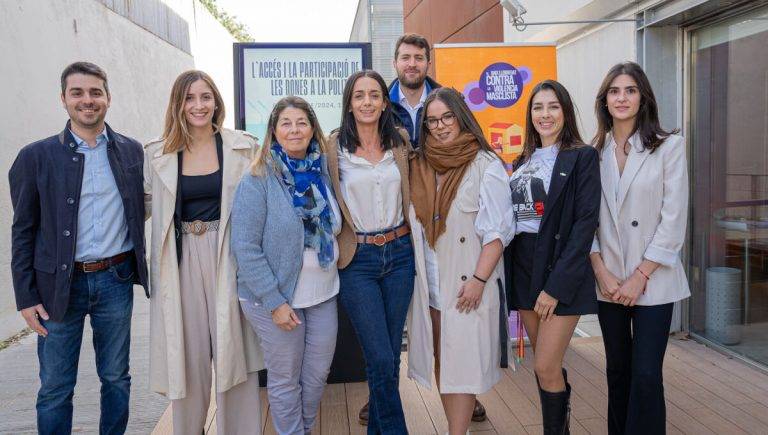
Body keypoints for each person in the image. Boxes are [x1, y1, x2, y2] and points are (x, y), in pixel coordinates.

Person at [8, 61, 148, 434]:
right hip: (57, 287)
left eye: (95, 92)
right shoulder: (35, 157)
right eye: (78, 93)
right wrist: (25, 295)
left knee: (117, 377)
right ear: (64, 99)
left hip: (116, 280)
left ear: (108, 98)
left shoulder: (132, 152)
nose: (88, 100)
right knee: (55, 386)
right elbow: (22, 231)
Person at [144, 70, 262, 435]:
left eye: (205, 97)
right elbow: (141, 207)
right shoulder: (157, 154)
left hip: (229, 255)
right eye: (190, 98)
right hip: (180, 260)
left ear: (216, 101)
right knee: (188, 356)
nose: (198, 105)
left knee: (235, 352)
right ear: (178, 103)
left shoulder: (244, 147)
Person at [589, 62, 689, 435]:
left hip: (653, 280)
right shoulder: (592, 152)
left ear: (643, 97)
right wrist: (601, 271)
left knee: (646, 374)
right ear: (605, 100)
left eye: (630, 90)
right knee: (618, 371)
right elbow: (586, 222)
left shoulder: (669, 147)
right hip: (609, 280)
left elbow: (674, 218)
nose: (622, 98)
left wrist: (640, 275)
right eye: (614, 91)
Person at [406, 87, 514, 434]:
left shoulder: (485, 164)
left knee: (463, 365)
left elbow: (498, 232)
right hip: (431, 282)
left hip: (467, 281)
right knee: (443, 360)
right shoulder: (417, 165)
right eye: (432, 120)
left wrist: (479, 281)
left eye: (447, 117)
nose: (440, 126)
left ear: (461, 116)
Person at [232, 96, 341, 435]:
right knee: (284, 379)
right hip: (274, 298)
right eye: (286, 123)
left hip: (323, 292)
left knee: (317, 374)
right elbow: (245, 247)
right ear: (274, 131)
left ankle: (302, 430)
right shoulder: (257, 179)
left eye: (301, 123)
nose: (294, 130)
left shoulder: (323, 172)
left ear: (312, 129)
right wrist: (275, 302)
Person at [504, 80, 601, 433]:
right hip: (524, 264)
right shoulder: (521, 160)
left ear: (565, 112)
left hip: (560, 266)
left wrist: (555, 287)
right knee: (546, 365)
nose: (545, 115)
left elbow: (584, 225)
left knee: (546, 364)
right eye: (538, 108)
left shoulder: (582, 156)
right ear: (530, 115)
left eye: (553, 107)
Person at [325, 69, 414, 434]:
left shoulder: (401, 142)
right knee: (379, 355)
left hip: (400, 254)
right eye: (359, 95)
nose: (367, 102)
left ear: (383, 101)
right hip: (357, 259)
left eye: (374, 95)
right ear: (349, 102)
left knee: (390, 358)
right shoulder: (333, 148)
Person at [387, 33, 441, 149]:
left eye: (419, 58)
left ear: (428, 64)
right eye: (405, 57)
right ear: (395, 64)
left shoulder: (449, 103)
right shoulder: (381, 106)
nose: (412, 64)